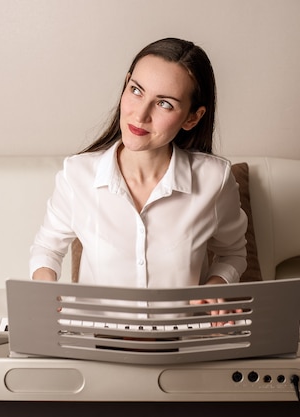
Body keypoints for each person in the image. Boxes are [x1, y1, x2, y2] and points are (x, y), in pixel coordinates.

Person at [29, 38, 247, 310]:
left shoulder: (215, 179)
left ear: (192, 117)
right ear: (126, 84)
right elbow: (47, 249)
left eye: (164, 104)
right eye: (136, 90)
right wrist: (46, 289)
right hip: (93, 340)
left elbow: (233, 253)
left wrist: (216, 286)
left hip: (183, 340)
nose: (140, 115)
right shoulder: (77, 174)